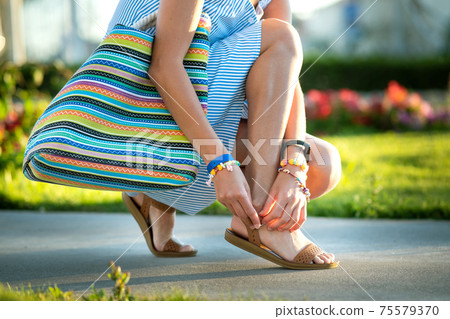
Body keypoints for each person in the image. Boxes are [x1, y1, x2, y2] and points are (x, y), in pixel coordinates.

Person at [109, 0, 341, 268]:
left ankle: (157, 197)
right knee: (282, 35)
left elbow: (286, 71)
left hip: (198, 110)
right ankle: (263, 220)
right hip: (136, 114)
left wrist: (294, 166)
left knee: (322, 164)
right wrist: (220, 163)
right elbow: (163, 66)